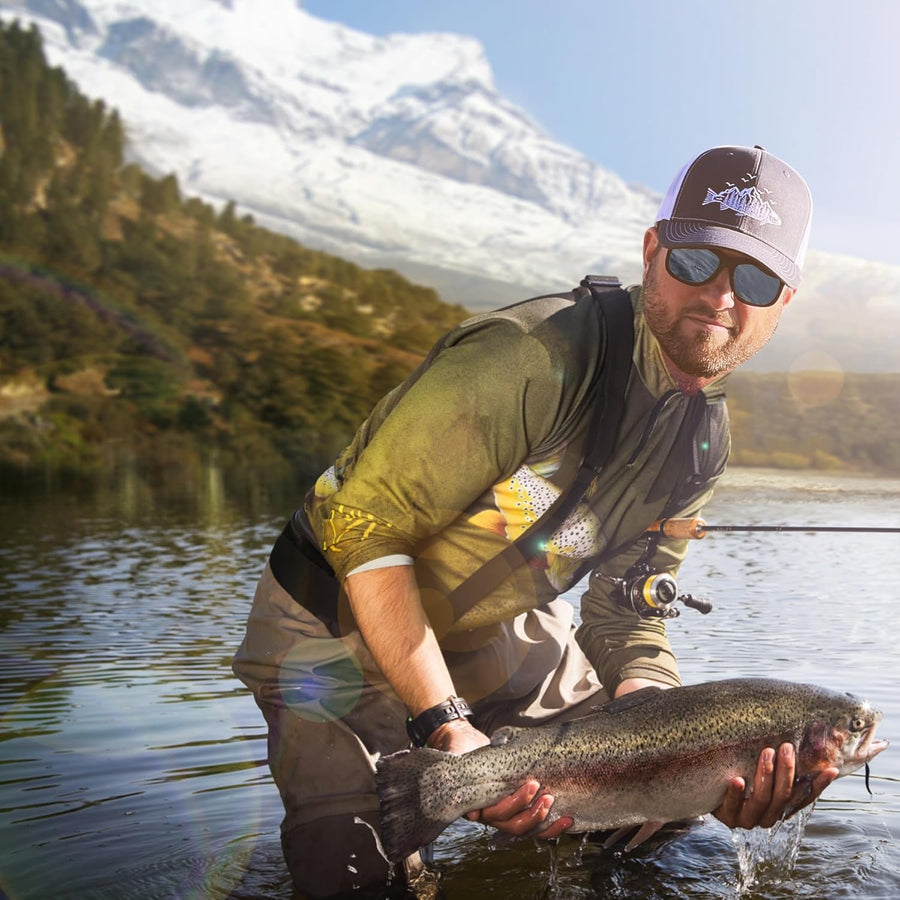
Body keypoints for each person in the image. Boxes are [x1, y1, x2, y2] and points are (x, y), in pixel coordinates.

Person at [233, 144, 836, 897]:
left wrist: (681, 763)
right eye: (694, 263)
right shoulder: (528, 358)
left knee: (663, 815)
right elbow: (363, 529)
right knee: (363, 882)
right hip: (327, 628)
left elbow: (624, 618)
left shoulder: (701, 450)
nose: (719, 295)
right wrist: (446, 727)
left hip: (494, 627)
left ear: (784, 302)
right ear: (653, 254)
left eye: (753, 277)